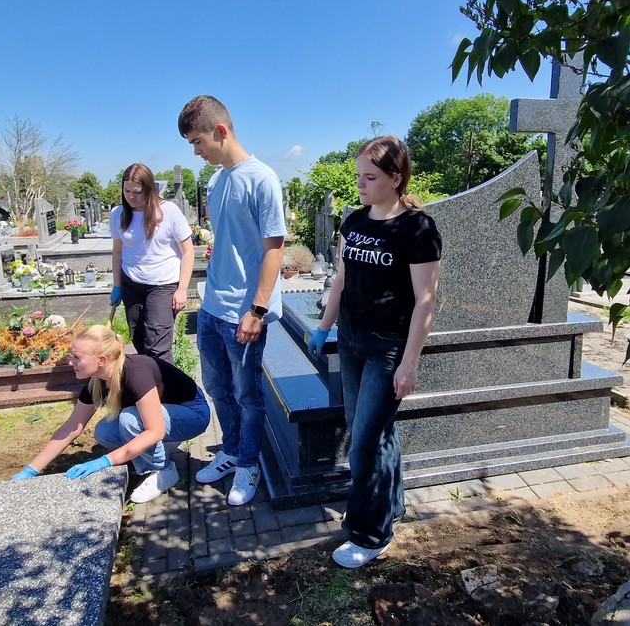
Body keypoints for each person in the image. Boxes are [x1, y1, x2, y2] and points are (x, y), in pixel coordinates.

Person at [307, 136, 441, 569]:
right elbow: (341, 279)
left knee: (363, 443)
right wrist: (324, 327)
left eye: (370, 177)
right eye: (359, 176)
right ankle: (390, 505)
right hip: (351, 339)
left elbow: (425, 301)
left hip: (388, 348)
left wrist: (409, 363)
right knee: (371, 430)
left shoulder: (417, 229)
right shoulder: (355, 221)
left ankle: (370, 534)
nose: (360, 185)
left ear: (396, 178)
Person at [178, 95, 286, 506]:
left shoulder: (262, 179)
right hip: (211, 307)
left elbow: (274, 248)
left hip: (243, 311)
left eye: (197, 141)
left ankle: (248, 464)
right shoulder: (216, 181)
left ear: (220, 131)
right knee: (218, 389)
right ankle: (232, 450)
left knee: (248, 395)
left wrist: (257, 309)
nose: (196, 151)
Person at [10, 324, 210, 504]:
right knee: (105, 432)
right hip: (164, 416)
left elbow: (155, 431)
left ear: (101, 360)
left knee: (129, 419)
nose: (70, 362)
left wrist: (105, 461)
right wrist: (30, 470)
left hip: (193, 413)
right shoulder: (98, 381)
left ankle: (162, 471)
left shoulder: (136, 374)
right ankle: (157, 451)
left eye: (77, 357)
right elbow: (71, 427)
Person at [110, 163, 194, 364]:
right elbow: (117, 251)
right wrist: (117, 285)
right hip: (132, 283)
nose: (131, 196)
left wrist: (182, 289)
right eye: (127, 191)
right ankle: (149, 380)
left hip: (163, 285)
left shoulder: (168, 211)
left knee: (158, 346)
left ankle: (167, 383)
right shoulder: (118, 214)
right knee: (139, 340)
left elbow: (188, 251)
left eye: (137, 192)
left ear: (149, 189)